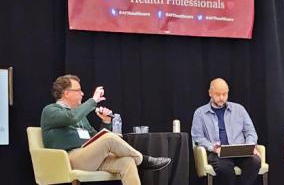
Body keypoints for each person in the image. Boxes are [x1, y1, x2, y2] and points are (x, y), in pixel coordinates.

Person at [41, 74, 171, 185]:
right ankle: (143, 160)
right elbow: (71, 118)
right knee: (109, 139)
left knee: (127, 162)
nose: (82, 93)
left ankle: (137, 160)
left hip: (88, 157)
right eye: (79, 90)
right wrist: (93, 101)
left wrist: (106, 122)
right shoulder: (51, 110)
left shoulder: (79, 115)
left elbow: (95, 137)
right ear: (66, 93)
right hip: (68, 159)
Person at [191, 78, 261, 185]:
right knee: (225, 168)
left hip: (239, 151)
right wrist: (212, 147)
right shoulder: (200, 113)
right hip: (217, 153)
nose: (221, 98)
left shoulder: (239, 109)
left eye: (224, 94)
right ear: (210, 93)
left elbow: (250, 131)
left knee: (255, 162)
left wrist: (250, 146)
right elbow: (197, 137)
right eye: (218, 94)